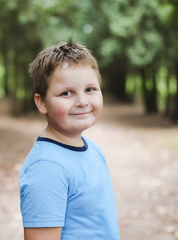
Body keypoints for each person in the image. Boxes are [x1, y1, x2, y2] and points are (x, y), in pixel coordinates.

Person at [19, 39, 119, 240]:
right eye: (66, 93)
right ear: (42, 103)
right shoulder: (47, 167)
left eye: (90, 89)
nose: (82, 102)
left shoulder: (93, 149)